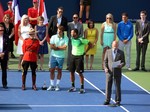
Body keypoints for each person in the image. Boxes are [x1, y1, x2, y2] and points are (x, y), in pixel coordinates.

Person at [68, 29, 92, 94]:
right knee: (71, 72)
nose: (71, 33)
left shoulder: (81, 40)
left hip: (79, 57)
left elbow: (90, 44)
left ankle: (82, 88)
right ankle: (73, 87)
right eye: (71, 32)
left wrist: (85, 52)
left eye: (72, 32)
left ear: (76, 33)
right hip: (72, 56)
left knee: (80, 73)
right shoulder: (71, 38)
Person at [103, 41, 125, 106]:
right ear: (112, 45)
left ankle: (118, 100)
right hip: (109, 72)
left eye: (116, 45)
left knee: (117, 87)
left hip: (117, 72)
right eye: (114, 45)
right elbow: (105, 61)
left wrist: (121, 65)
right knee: (108, 86)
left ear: (117, 45)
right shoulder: (108, 51)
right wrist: (105, 68)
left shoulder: (121, 52)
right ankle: (107, 100)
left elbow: (123, 62)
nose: (115, 46)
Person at [47, 26, 68, 91]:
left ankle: (57, 85)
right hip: (53, 56)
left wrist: (56, 47)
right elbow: (51, 46)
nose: (59, 32)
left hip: (61, 57)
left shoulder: (66, 38)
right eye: (58, 30)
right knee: (52, 70)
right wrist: (60, 48)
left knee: (59, 70)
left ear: (62, 32)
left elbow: (65, 47)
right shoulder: (53, 37)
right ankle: (52, 85)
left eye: (60, 31)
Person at [0, 24, 9, 89]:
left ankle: (4, 84)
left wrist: (3, 53)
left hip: (4, 56)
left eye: (2, 30)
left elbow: (8, 47)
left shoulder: (6, 37)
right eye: (0, 30)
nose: (1, 31)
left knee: (4, 71)